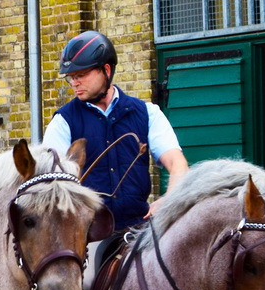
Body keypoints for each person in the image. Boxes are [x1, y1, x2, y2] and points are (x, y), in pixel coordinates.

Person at [42, 30, 189, 250]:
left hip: (141, 230)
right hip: (89, 236)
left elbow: (178, 164)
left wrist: (169, 199)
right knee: (86, 283)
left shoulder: (146, 112)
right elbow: (50, 182)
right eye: (71, 77)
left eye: (81, 75)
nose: (75, 82)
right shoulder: (63, 121)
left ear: (106, 70)